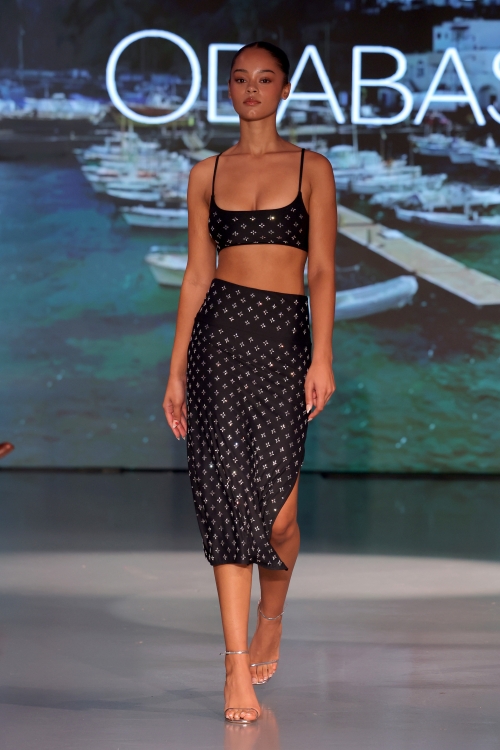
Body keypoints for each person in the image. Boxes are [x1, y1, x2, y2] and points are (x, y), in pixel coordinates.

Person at [163, 40, 336, 724]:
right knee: (228, 507)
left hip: (285, 343)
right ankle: (235, 665)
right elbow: (195, 274)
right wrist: (176, 368)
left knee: (279, 519)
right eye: (240, 78)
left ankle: (273, 616)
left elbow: (322, 270)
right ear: (229, 89)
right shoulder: (205, 173)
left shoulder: (313, 168)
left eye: (265, 78)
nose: (252, 88)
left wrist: (322, 356)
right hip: (218, 343)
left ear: (285, 89)